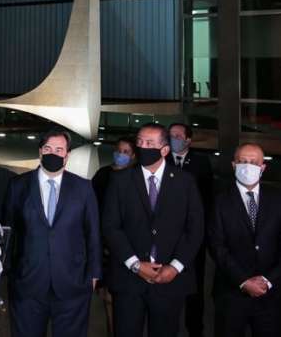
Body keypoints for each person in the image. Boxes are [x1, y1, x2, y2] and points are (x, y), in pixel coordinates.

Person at [102, 122, 204, 337]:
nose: (143, 147)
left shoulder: (185, 182)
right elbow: (111, 227)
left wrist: (175, 267)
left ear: (165, 150)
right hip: (128, 280)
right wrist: (135, 264)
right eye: (139, 142)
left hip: (170, 281)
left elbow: (195, 229)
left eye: (149, 143)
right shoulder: (120, 180)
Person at [4, 130, 101, 337]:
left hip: (72, 283)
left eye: (59, 150)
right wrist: (9, 272)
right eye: (48, 149)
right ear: (40, 152)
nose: (53, 154)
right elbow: (7, 232)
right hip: (28, 283)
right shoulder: (18, 186)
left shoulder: (83, 188)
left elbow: (92, 233)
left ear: (67, 156)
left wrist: (94, 274)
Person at [207, 143, 281, 337]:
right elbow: (216, 246)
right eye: (243, 161)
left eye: (254, 162)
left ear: (263, 167)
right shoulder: (220, 201)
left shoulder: (279, 200)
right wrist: (243, 280)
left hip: (269, 293)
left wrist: (267, 280)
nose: (248, 166)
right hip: (231, 292)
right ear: (233, 165)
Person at [167, 122, 213, 337]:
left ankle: (195, 328)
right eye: (171, 135)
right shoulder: (162, 159)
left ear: (188, 140)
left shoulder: (202, 163)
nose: (173, 138)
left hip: (194, 236)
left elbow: (208, 200)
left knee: (195, 285)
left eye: (178, 135)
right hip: (166, 236)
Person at [91, 136, 134, 336]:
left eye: (126, 152)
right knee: (107, 296)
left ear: (133, 156)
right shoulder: (103, 175)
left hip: (128, 245)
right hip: (104, 242)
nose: (121, 155)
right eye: (119, 150)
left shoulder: (135, 177)